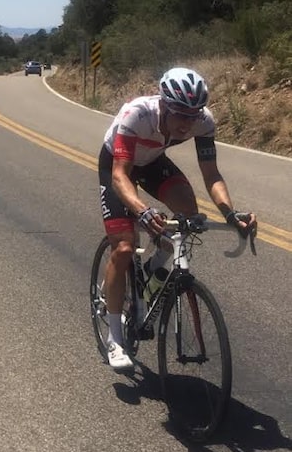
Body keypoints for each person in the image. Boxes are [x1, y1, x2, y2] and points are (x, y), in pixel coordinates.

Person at [98, 66, 257, 371]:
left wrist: (229, 212)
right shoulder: (137, 115)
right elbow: (120, 175)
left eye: (193, 114)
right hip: (117, 165)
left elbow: (211, 174)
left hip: (153, 161)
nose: (187, 123)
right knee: (125, 247)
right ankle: (115, 338)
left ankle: (157, 263)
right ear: (165, 105)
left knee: (188, 212)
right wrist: (142, 211)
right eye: (180, 114)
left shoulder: (203, 122)